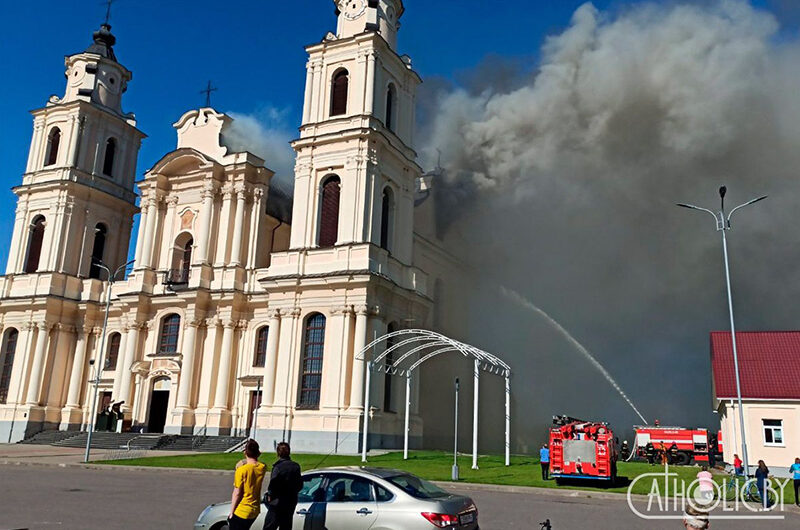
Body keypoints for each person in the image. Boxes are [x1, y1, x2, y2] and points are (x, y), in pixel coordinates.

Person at [228, 439, 267, 530]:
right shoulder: (262, 468)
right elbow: (256, 463)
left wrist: (231, 512)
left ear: (245, 452)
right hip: (255, 509)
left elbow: (237, 493)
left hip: (242, 509)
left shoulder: (241, 470)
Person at [263, 442, 303, 530]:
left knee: (269, 526)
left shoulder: (277, 467)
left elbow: (273, 484)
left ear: (278, 453)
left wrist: (270, 495)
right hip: (291, 501)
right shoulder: (296, 466)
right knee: (286, 526)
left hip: (277, 502)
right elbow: (300, 485)